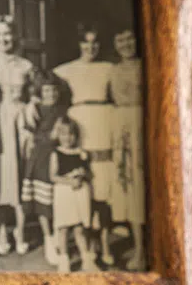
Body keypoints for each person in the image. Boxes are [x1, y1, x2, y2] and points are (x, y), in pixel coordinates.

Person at [53, 24, 115, 268]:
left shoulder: (108, 68)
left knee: (103, 191)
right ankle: (86, 249)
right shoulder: (66, 70)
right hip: (80, 122)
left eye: (95, 43)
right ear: (79, 45)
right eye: (85, 43)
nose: (90, 48)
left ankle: (105, 245)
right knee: (84, 191)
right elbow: (42, 83)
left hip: (103, 120)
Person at [0, 16, 36, 257]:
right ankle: (1, 230)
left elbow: (34, 95)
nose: (2, 39)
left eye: (6, 34)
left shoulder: (26, 65)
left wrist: (28, 120)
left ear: (14, 35)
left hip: (19, 121)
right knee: (1, 175)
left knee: (19, 174)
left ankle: (19, 230)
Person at [109, 28, 146, 269]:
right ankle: (138, 246)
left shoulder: (145, 65)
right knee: (129, 185)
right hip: (122, 126)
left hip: (141, 122)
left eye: (129, 39)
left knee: (142, 184)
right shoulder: (113, 70)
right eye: (120, 40)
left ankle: (147, 249)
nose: (125, 44)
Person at [21, 70, 66, 266]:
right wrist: (46, 137)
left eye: (54, 90)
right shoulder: (35, 109)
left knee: (55, 199)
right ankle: (48, 239)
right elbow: (30, 135)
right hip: (40, 157)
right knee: (42, 201)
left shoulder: (63, 109)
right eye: (47, 90)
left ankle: (58, 235)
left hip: (57, 157)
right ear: (41, 91)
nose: (51, 94)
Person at [49, 117, 95, 273]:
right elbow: (53, 176)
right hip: (64, 193)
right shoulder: (56, 153)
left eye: (71, 134)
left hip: (80, 193)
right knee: (63, 228)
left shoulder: (81, 153)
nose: (67, 138)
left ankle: (86, 260)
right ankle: (64, 261)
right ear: (58, 135)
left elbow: (89, 173)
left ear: (76, 135)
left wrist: (83, 174)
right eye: (63, 134)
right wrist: (69, 182)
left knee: (79, 228)